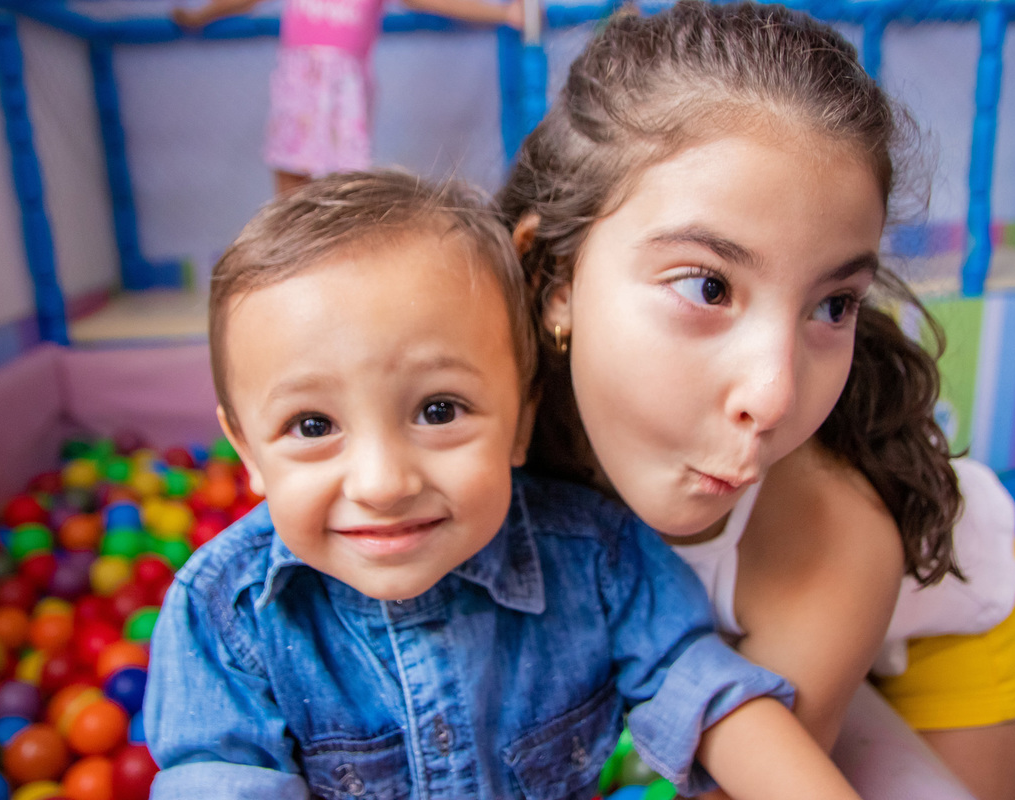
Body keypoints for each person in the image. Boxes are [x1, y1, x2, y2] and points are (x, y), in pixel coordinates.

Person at [142, 169, 865, 800]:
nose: (384, 483)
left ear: (522, 421)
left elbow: (706, 696)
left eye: (438, 411)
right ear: (247, 452)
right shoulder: (224, 618)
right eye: (312, 425)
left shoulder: (595, 559)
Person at [497, 3, 1015, 800]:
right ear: (554, 279)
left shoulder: (835, 534)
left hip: (930, 622)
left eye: (833, 305)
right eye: (707, 286)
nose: (776, 396)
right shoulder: (471, 422)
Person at [172, 0, 523, 195]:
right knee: (291, 187)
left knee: (347, 185)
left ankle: (340, 267)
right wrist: (199, 15)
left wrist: (502, 13)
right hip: (299, 85)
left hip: (343, 94)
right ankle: (295, 268)